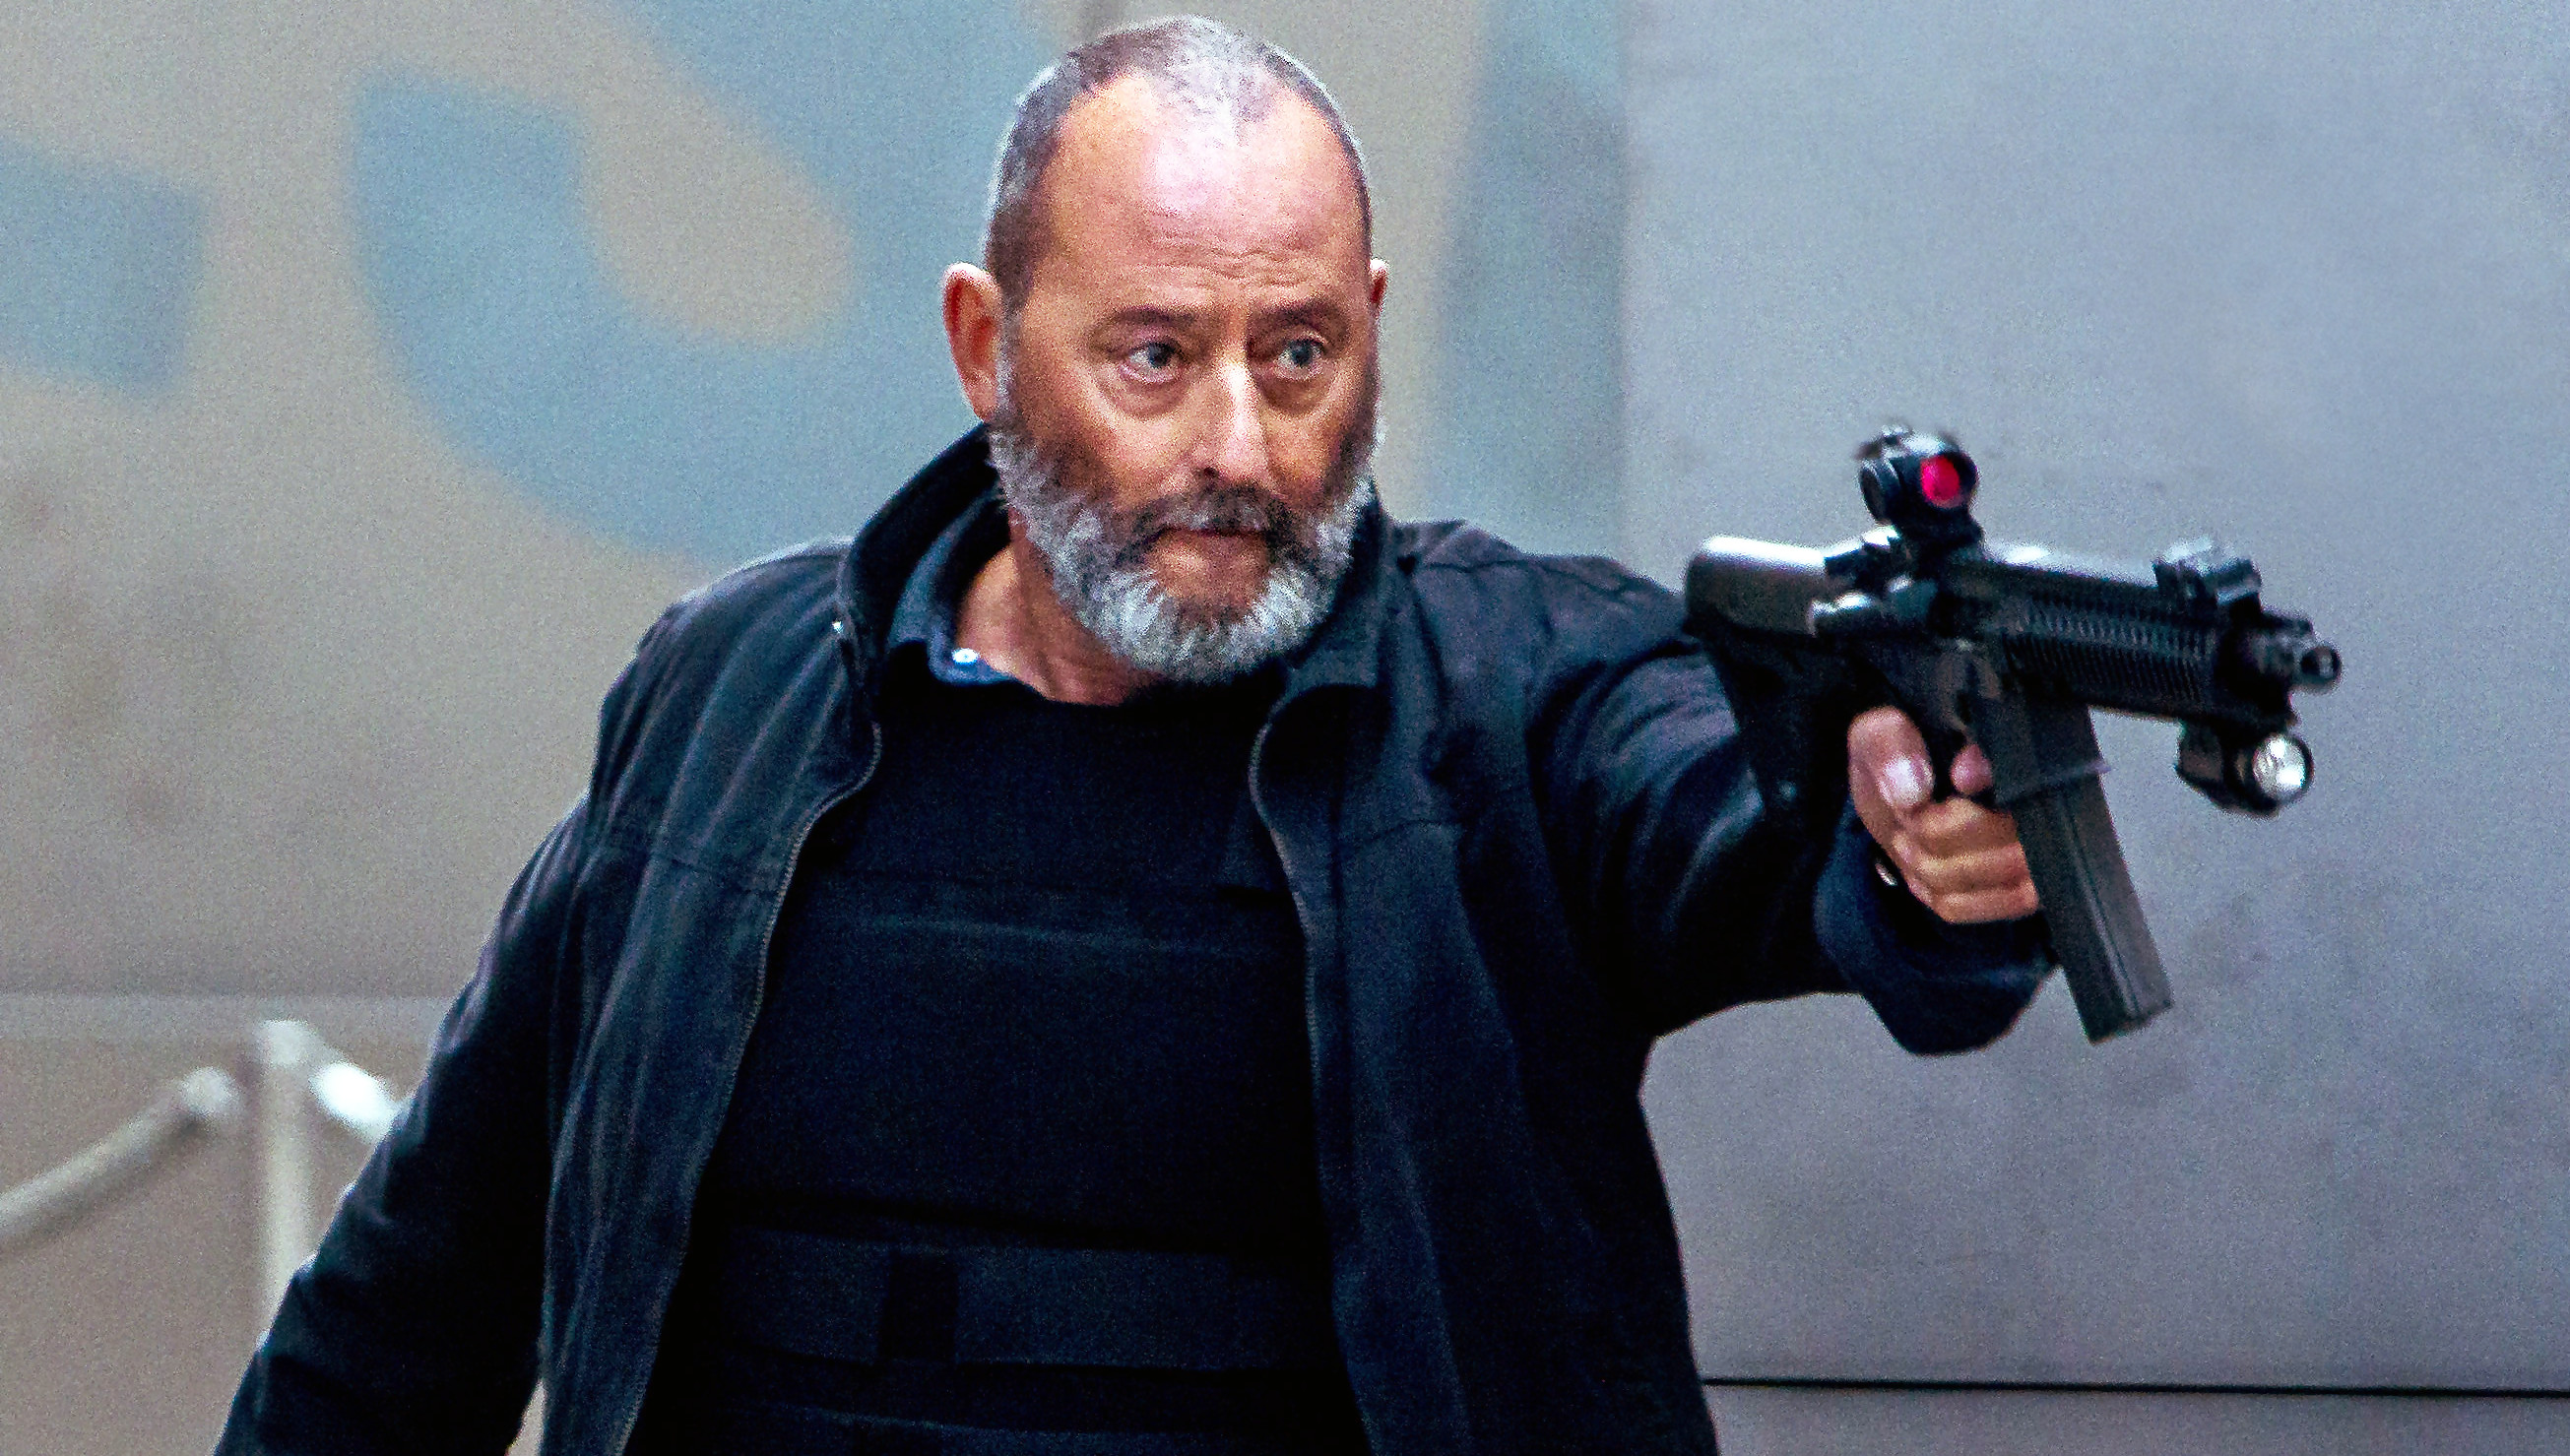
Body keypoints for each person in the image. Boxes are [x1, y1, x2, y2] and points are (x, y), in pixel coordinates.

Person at [215, 17, 2048, 1456]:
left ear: (1372, 333)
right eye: (1155, 358)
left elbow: (1736, 818)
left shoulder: (1511, 697)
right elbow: (411, 1309)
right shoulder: (733, 698)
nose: (1239, 446)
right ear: (985, 347)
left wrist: (1912, 849)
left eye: (1298, 354)